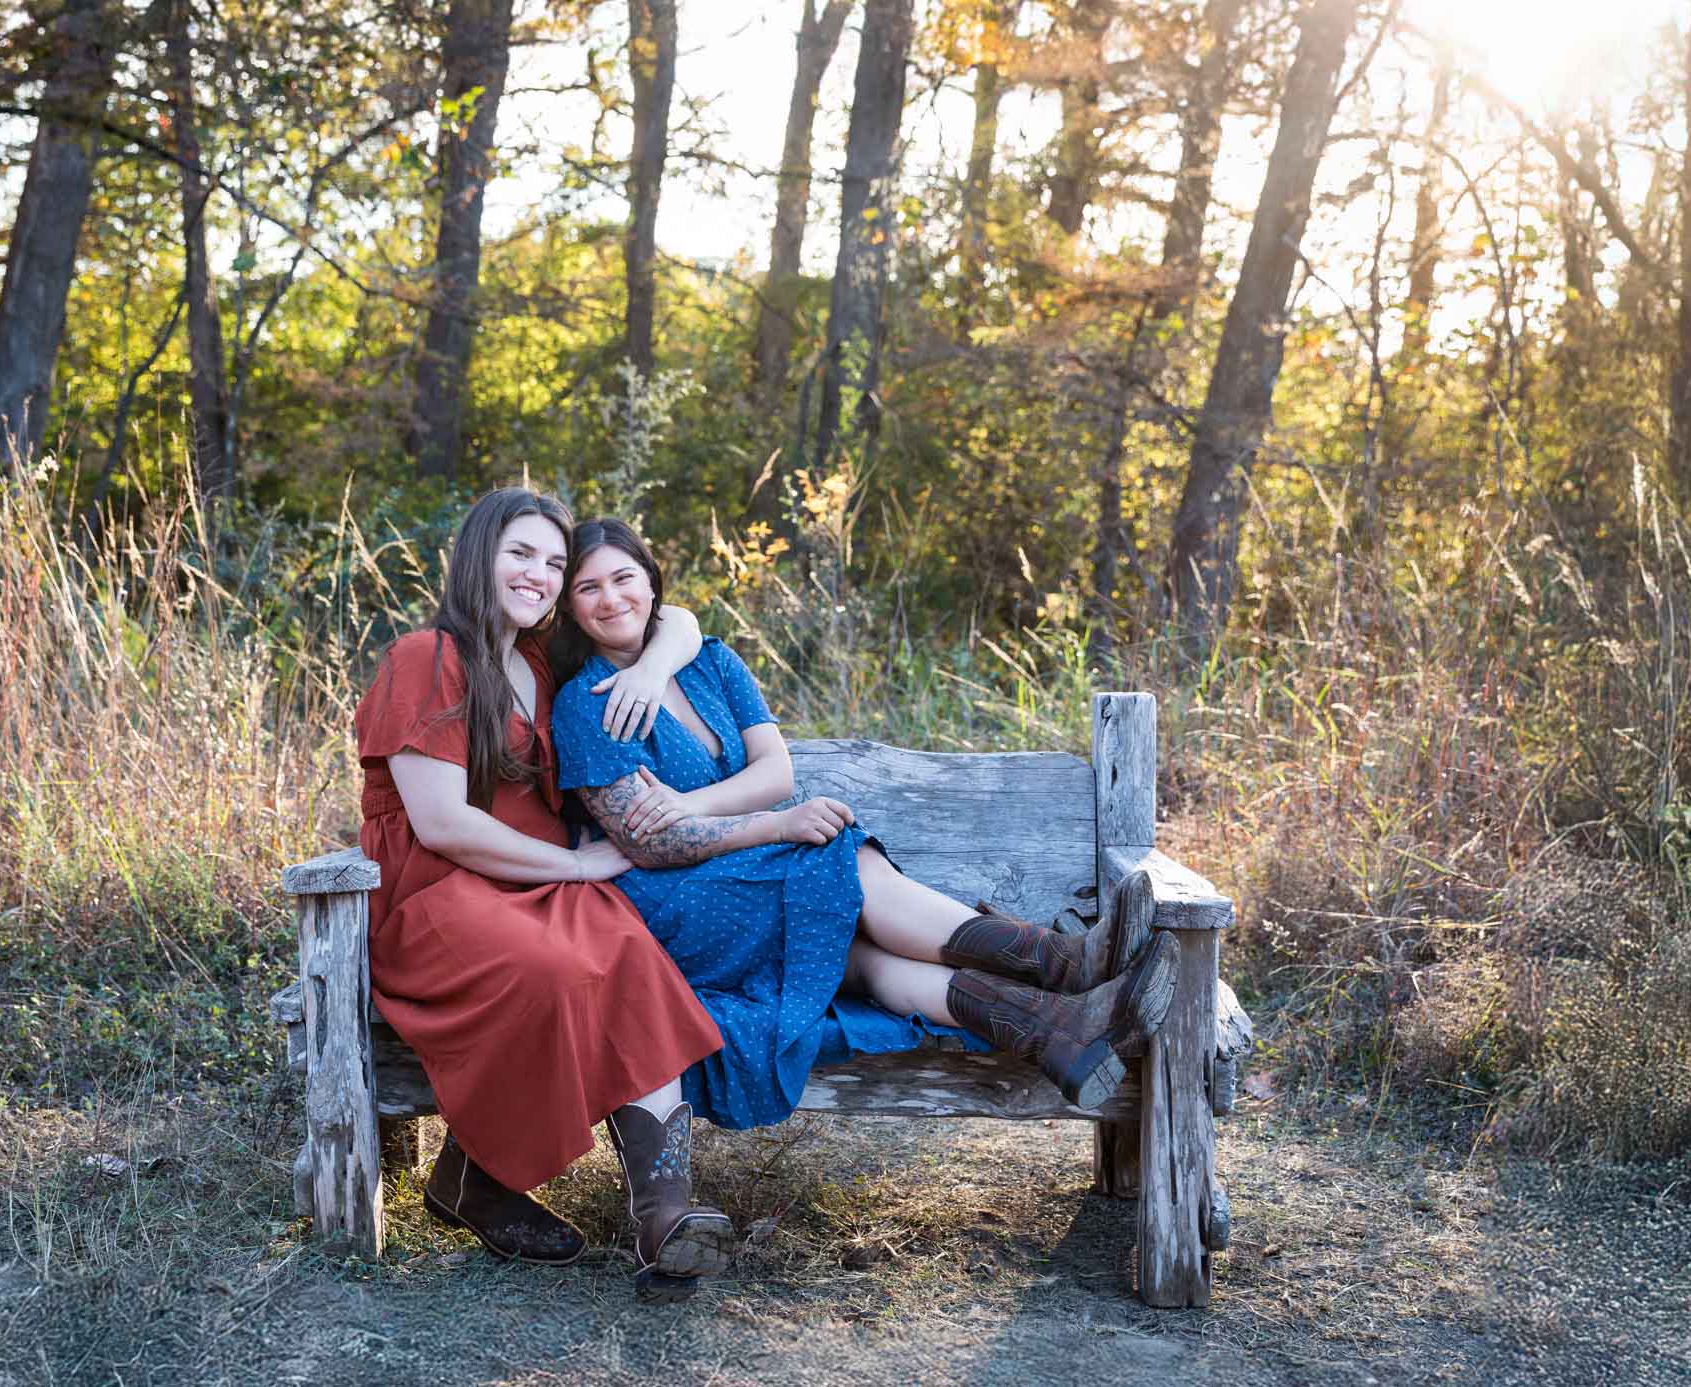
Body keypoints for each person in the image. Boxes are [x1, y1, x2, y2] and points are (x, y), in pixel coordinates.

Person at [548, 518, 1179, 1132]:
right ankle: (1062, 962)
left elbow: (775, 773)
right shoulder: (585, 702)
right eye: (588, 588)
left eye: (623, 578)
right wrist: (775, 828)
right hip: (678, 905)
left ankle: (1055, 1030)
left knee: (863, 954)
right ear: (571, 608)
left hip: (750, 874)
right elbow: (651, 844)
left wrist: (695, 804)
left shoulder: (710, 661)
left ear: (651, 580)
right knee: (837, 855)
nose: (611, 599)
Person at [353, 488, 731, 1302]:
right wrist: (578, 866)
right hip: (439, 895)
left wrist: (655, 665)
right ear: (478, 556)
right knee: (554, 969)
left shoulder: (540, 659)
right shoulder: (425, 657)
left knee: (629, 953)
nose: (541, 575)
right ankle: (476, 1178)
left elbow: (675, 617)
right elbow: (443, 824)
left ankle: (664, 1215)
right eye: (521, 553)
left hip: (536, 882)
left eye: (555, 563)